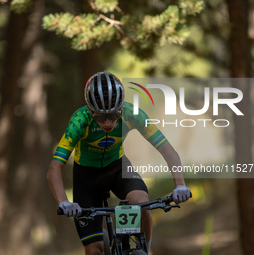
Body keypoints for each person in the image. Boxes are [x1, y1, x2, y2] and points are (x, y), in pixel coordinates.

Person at [47, 71, 191, 255]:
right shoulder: (79, 121)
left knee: (140, 203)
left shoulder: (133, 113)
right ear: (90, 111)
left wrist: (180, 185)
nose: (108, 122)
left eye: (114, 115)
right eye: (100, 117)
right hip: (86, 177)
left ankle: (144, 250)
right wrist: (64, 202)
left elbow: (167, 150)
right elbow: (54, 168)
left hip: (117, 168)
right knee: (94, 251)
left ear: (121, 107)